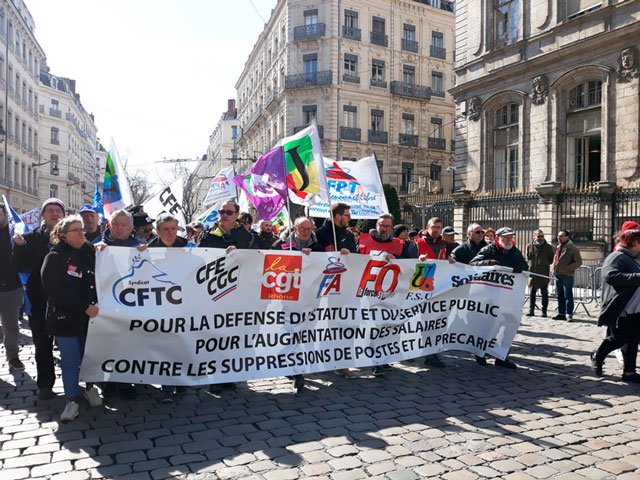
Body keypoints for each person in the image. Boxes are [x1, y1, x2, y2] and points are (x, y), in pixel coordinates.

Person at [41, 215, 101, 421]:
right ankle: (71, 399)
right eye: (76, 230)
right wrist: (84, 307)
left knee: (90, 356)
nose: (81, 233)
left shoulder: (91, 252)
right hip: (65, 318)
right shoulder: (55, 257)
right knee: (70, 360)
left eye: (82, 229)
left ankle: (90, 388)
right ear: (63, 236)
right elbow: (55, 290)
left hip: (89, 319)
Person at [197, 200, 260, 392]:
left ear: (236, 214)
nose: (224, 214)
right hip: (216, 292)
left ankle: (230, 375)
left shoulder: (248, 236)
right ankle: (216, 378)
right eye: (221, 211)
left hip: (241, 293)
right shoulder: (207, 235)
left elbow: (259, 257)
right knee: (216, 335)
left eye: (228, 212)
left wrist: (241, 253)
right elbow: (198, 260)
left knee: (235, 335)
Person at [13, 198, 65, 400]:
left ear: (63, 214)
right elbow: (17, 266)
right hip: (40, 300)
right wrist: (18, 247)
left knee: (72, 345)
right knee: (42, 345)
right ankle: (45, 384)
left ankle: (79, 384)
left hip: (68, 302)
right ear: (42, 215)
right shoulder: (29, 238)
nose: (54, 214)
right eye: (50, 210)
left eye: (58, 210)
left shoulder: (72, 236)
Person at [271, 217, 324, 391]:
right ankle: (292, 366)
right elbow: (270, 263)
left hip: (309, 298)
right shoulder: (281, 244)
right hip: (287, 296)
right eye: (303, 228)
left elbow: (326, 266)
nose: (307, 232)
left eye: (310, 229)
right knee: (289, 329)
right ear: (295, 228)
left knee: (304, 330)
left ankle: (297, 368)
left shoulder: (317, 247)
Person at [470, 227, 527, 369]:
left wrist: (521, 267)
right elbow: (473, 264)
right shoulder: (489, 249)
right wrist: (488, 263)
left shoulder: (515, 251)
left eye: (510, 237)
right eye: (505, 237)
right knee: (488, 325)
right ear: (498, 238)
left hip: (507, 295)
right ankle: (480, 352)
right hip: (489, 294)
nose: (508, 240)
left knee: (507, 325)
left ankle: (501, 356)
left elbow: (525, 266)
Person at [148, 212, 188, 402]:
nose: (170, 232)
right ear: (158, 231)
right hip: (160, 307)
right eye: (166, 229)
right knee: (164, 347)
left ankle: (180, 381)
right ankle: (167, 386)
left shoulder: (189, 247)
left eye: (173, 228)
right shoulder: (147, 250)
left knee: (181, 345)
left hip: (184, 306)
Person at [312, 203, 355, 378]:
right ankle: (315, 358)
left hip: (343, 288)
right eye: (347, 215)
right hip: (319, 289)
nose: (350, 218)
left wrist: (349, 256)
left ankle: (340, 362)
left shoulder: (348, 235)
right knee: (317, 324)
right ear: (337, 216)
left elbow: (355, 259)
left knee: (342, 324)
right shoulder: (319, 235)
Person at [592, 229, 640, 384]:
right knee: (618, 339)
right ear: (632, 242)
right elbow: (610, 276)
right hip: (623, 308)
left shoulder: (636, 257)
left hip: (637, 307)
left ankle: (629, 372)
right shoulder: (616, 257)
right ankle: (597, 356)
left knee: (633, 341)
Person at [415, 217, 449, 369]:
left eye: (438, 227)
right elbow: (407, 263)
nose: (436, 230)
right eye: (433, 227)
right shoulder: (417, 243)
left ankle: (431, 353)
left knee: (433, 322)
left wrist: (450, 261)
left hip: (436, 288)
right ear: (427, 227)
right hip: (418, 288)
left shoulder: (443, 245)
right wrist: (417, 260)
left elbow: (442, 262)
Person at [0, 203, 25, 371]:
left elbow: (25, 259)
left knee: (11, 326)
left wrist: (22, 245)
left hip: (11, 288)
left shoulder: (15, 233)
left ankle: (13, 356)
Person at [551, 230, 582, 321]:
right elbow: (556, 259)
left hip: (567, 275)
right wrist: (553, 268)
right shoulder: (558, 247)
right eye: (558, 236)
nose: (559, 238)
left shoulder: (572, 248)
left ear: (567, 237)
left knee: (568, 295)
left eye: (561, 236)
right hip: (558, 274)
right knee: (559, 295)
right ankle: (561, 313)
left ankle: (569, 314)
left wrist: (567, 268)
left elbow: (579, 262)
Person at [526, 229, 554, 317]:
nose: (541, 238)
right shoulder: (529, 246)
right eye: (539, 236)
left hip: (543, 273)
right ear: (534, 236)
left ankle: (544, 311)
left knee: (544, 293)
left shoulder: (548, 247)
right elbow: (528, 258)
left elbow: (551, 259)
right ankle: (531, 310)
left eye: (542, 236)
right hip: (533, 273)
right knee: (532, 292)